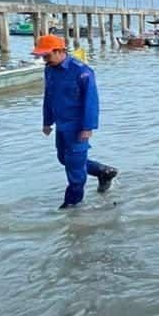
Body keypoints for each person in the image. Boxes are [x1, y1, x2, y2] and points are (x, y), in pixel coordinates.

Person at [35, 33, 117, 209]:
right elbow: (48, 96)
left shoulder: (82, 72)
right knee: (64, 159)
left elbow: (91, 101)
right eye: (42, 56)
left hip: (78, 127)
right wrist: (47, 121)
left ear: (59, 51)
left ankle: (72, 207)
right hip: (61, 124)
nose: (44, 60)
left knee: (75, 172)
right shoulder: (49, 69)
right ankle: (103, 172)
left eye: (47, 56)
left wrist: (88, 127)